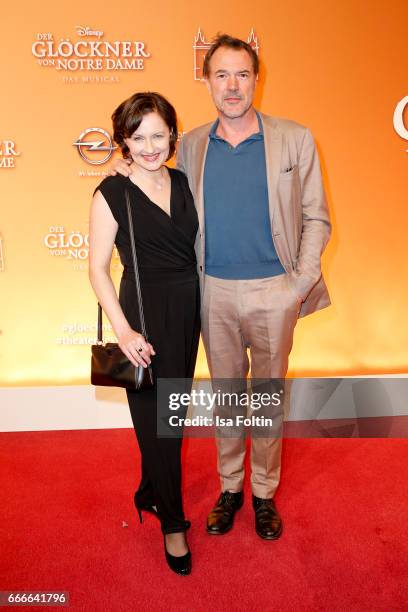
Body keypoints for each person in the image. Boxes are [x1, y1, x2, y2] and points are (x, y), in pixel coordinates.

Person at [111, 35, 331, 541]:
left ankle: (263, 493)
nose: (232, 86)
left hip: (275, 290)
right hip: (211, 292)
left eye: (242, 74)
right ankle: (231, 487)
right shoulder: (189, 145)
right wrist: (121, 167)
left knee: (268, 397)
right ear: (207, 80)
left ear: (257, 77)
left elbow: (315, 216)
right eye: (221, 75)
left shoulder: (295, 139)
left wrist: (298, 283)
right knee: (230, 396)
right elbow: (153, 183)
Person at [89, 92, 200, 575]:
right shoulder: (110, 192)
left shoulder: (185, 181)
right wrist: (124, 329)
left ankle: (150, 491)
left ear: (173, 135)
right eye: (138, 138)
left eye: (159, 135)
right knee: (158, 423)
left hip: (187, 309)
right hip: (143, 313)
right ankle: (172, 524)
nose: (151, 146)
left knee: (172, 416)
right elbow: (95, 269)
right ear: (124, 143)